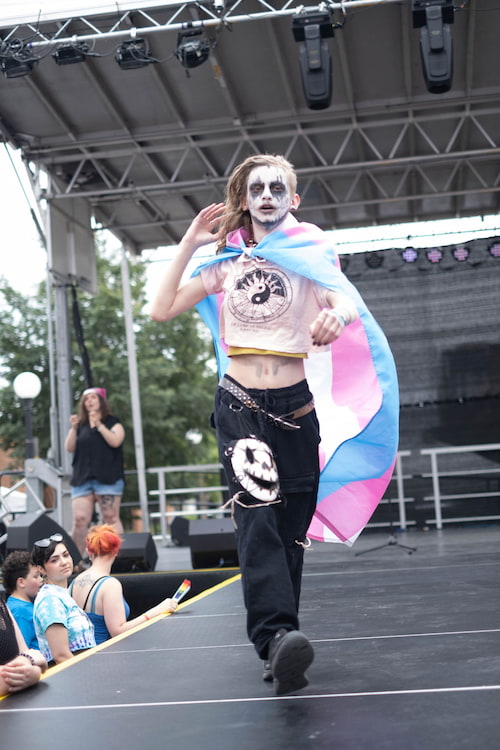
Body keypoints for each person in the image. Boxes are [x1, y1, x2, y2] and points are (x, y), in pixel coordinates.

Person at [151, 154, 399, 697]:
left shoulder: (311, 253)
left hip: (296, 407)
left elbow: (343, 299)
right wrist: (190, 244)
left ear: (293, 198)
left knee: (290, 528)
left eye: (276, 188)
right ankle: (277, 634)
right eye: (257, 188)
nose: (266, 195)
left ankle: (280, 642)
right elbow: (161, 308)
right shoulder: (225, 263)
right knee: (258, 518)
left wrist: (338, 316)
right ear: (247, 199)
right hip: (240, 400)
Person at [69, 525, 178, 644]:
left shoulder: (75, 581)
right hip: (100, 656)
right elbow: (118, 632)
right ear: (116, 551)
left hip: (79, 656)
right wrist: (156, 611)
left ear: (89, 552)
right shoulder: (110, 585)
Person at [65, 386, 125, 557]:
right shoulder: (81, 425)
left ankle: (117, 558)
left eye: (93, 398)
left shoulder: (112, 422)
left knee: (111, 517)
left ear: (101, 401)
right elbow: (69, 447)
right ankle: (75, 561)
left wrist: (99, 424)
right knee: (79, 520)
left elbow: (115, 441)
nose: (89, 401)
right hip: (83, 479)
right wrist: (74, 428)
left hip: (108, 479)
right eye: (86, 399)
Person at [32, 533, 96, 665]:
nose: (64, 562)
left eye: (65, 555)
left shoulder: (60, 594)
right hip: (73, 677)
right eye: (54, 560)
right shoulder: (49, 599)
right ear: (41, 569)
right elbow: (61, 656)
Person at [0, 596, 48, 696]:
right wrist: (26, 661)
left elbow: (27, 654)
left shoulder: (2, 605)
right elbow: (29, 658)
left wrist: (32, 669)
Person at [2, 550, 43, 649]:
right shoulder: (21, 612)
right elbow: (22, 651)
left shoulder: (16, 605)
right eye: (36, 576)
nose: (41, 579)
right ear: (21, 582)